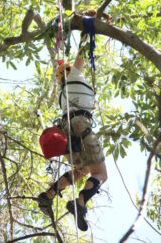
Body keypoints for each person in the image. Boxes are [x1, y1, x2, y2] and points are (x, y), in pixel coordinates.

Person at [37, 47, 107, 232]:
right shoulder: (74, 76)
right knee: (100, 174)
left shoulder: (63, 93)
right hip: (81, 126)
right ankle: (80, 203)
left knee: (81, 170)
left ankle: (49, 194)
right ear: (69, 71)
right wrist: (89, 23)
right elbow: (83, 51)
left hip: (68, 132)